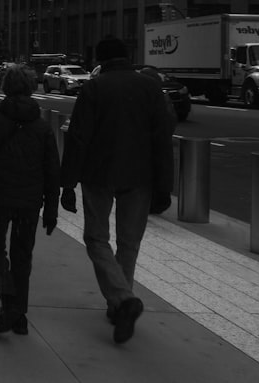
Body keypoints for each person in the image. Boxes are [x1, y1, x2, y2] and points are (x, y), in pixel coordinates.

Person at [60, 36, 175, 344]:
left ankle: (121, 299)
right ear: (126, 56)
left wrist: (68, 183)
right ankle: (120, 302)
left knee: (96, 238)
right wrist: (165, 187)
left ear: (101, 59)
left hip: (99, 173)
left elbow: (78, 138)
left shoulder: (94, 88)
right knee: (129, 243)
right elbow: (162, 140)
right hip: (140, 176)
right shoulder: (150, 88)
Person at [0, 64, 60, 335]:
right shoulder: (42, 127)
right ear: (31, 88)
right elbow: (53, 170)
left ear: (5, 88)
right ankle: (19, 313)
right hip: (30, 200)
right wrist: (51, 209)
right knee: (23, 255)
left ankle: (8, 300)